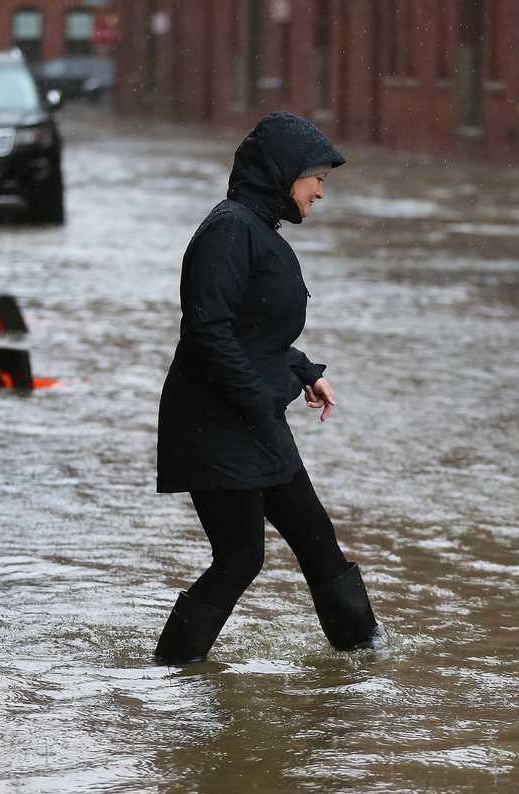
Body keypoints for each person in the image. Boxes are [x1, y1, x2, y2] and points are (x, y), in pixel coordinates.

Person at [153, 112, 380, 665]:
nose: (321, 192)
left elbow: (257, 329)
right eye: (318, 178)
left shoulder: (256, 229)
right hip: (216, 425)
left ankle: (368, 657)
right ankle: (169, 672)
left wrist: (303, 370)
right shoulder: (229, 229)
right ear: (285, 172)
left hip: (250, 422)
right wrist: (258, 400)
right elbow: (208, 329)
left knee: (316, 539)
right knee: (239, 558)